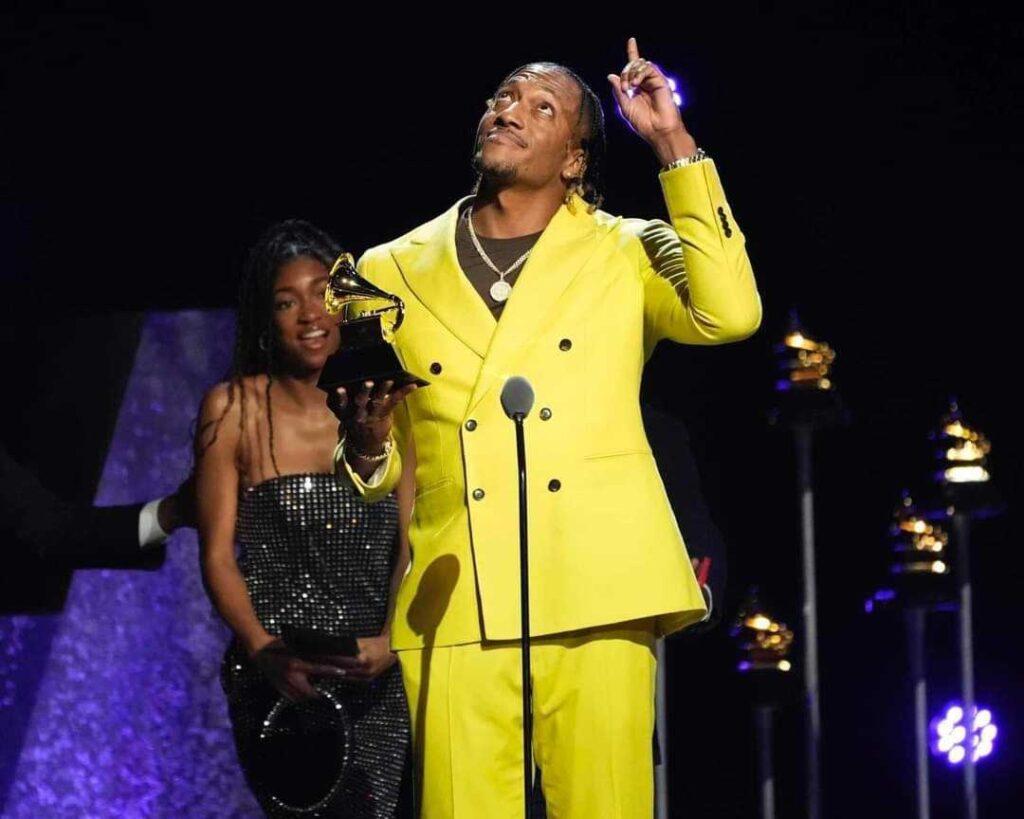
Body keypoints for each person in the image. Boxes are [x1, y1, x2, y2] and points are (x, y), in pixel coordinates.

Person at [332, 38, 762, 817]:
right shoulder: (389, 267)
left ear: (574, 159)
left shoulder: (626, 249)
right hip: (457, 595)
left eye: (542, 107)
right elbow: (383, 454)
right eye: (503, 98)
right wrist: (365, 446)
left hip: (598, 581)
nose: (510, 110)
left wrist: (672, 143)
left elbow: (730, 313)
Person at [194, 219, 412, 817]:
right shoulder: (233, 408)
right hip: (277, 678)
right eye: (286, 302)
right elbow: (216, 555)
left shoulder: (390, 400)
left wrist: (393, 642)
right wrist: (264, 650)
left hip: (378, 673)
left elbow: (411, 539)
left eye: (323, 293)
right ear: (268, 318)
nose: (309, 314)